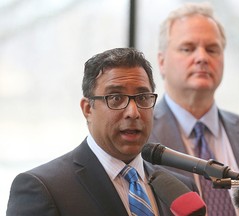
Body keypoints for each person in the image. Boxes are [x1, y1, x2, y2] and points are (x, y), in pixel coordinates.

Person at [6, 48, 198, 216]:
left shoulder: (181, 190)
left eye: (143, 98)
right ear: (88, 109)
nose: (133, 112)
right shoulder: (43, 188)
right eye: (116, 98)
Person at [148, 2, 239, 215]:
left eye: (212, 49)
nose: (202, 57)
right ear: (161, 62)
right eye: (188, 48)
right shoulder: (140, 137)